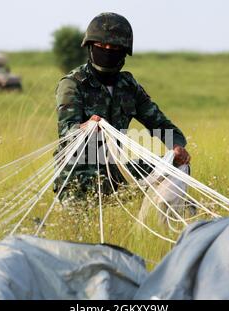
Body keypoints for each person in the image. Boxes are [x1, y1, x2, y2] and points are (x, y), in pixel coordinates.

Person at [54, 12, 190, 201]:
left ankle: (167, 223)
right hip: (78, 179)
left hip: (116, 173)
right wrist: (85, 127)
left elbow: (162, 126)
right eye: (102, 46)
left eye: (115, 47)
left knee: (175, 164)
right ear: (91, 47)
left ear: (124, 51)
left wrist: (177, 147)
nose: (108, 51)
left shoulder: (128, 86)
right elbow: (67, 134)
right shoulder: (73, 84)